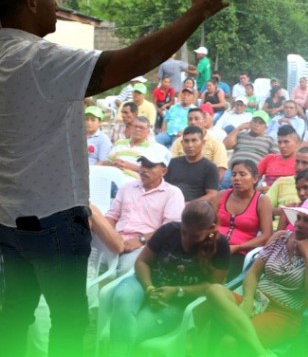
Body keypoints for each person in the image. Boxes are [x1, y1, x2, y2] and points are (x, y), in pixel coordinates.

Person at [0, 0, 228, 357]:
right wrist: (196, 14)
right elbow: (132, 60)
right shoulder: (37, 60)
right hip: (52, 220)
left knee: (14, 314)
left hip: (7, 220)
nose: (56, 4)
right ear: (31, 0)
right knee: (69, 322)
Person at [201, 197, 308, 354]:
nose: (298, 224)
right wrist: (247, 301)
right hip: (255, 301)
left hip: (283, 314)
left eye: (307, 220)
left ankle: (257, 351)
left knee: (230, 342)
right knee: (214, 290)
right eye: (299, 218)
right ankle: (260, 351)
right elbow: (253, 273)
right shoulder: (281, 237)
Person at [108, 200, 230, 357]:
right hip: (145, 283)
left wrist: (177, 291)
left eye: (194, 236)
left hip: (178, 301)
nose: (186, 239)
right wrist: (149, 288)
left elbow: (213, 287)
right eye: (184, 232)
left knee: (131, 331)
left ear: (211, 229)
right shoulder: (169, 230)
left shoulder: (220, 246)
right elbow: (142, 262)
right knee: (122, 298)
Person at [105, 149, 186, 275]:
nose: (144, 169)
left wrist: (141, 240)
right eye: (142, 164)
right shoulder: (127, 187)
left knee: (124, 270)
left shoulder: (172, 193)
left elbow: (170, 229)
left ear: (163, 171)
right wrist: (109, 236)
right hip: (116, 240)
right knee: (90, 265)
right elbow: (112, 215)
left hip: (145, 245)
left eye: (150, 166)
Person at [212, 159, 272, 277]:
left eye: (242, 174)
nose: (236, 178)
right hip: (212, 245)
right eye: (233, 175)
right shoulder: (221, 195)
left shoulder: (262, 201)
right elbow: (208, 223)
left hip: (240, 252)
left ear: (255, 179)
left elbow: (266, 237)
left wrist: (237, 247)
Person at [171, 107, 229, 182]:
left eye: (196, 119)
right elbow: (172, 166)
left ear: (204, 121)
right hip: (181, 182)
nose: (193, 122)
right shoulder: (179, 142)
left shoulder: (216, 144)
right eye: (190, 119)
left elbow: (220, 173)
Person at [164, 125, 219, 203]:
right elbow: (164, 187)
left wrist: (189, 205)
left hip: (194, 210)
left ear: (203, 143)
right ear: (182, 143)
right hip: (170, 205)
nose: (190, 145)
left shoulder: (210, 167)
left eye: (194, 140)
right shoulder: (173, 163)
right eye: (186, 141)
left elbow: (212, 195)